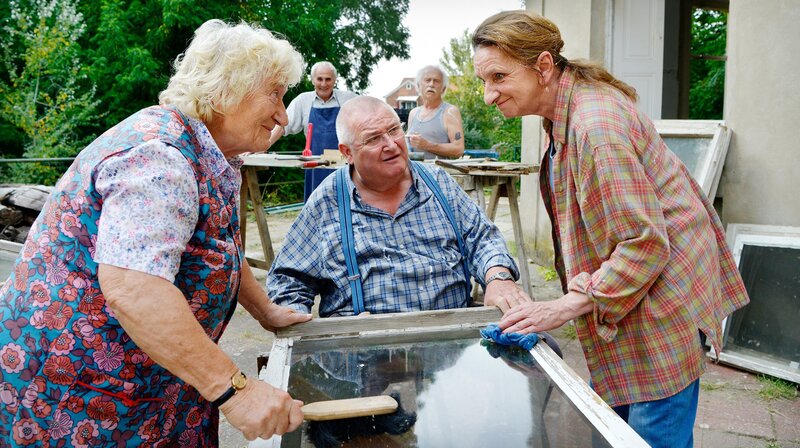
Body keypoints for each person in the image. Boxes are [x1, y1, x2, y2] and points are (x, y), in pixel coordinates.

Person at [0, 20, 313, 446]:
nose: (282, 113)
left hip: (148, 388)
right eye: (274, 93)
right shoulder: (160, 159)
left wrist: (266, 311)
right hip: (81, 398)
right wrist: (237, 392)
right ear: (226, 90)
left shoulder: (207, 153)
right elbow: (134, 288)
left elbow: (217, 245)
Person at [471, 11, 749, 448]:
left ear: (544, 66)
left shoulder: (594, 127)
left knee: (653, 431)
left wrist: (562, 308)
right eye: (482, 81)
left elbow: (645, 243)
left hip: (665, 300)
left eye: (499, 77)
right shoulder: (562, 110)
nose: (488, 95)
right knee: (614, 428)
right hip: (635, 291)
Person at [267, 96, 529, 317]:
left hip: (450, 342)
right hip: (364, 357)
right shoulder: (328, 200)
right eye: (373, 139)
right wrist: (301, 329)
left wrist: (498, 278)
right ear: (347, 153)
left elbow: (482, 237)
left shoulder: (437, 182)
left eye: (394, 130)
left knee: (543, 348)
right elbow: (288, 280)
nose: (391, 145)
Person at [269, 61, 357, 200]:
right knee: (315, 205)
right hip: (314, 167)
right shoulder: (303, 100)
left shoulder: (349, 99)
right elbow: (281, 126)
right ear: (312, 80)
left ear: (334, 80)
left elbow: (365, 123)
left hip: (343, 166)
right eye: (319, 79)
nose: (323, 84)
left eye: (328, 79)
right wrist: (262, 145)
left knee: (344, 205)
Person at [406, 65, 465, 160]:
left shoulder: (450, 112)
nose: (431, 84)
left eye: (436, 81)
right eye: (427, 80)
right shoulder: (413, 113)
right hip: (413, 172)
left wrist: (427, 145)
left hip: (438, 173)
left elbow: (458, 150)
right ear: (418, 85)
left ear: (443, 88)